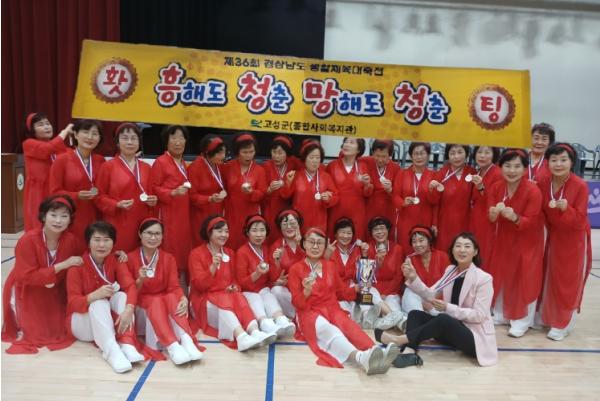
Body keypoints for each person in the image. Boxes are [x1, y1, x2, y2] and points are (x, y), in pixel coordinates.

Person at [375, 232, 497, 368]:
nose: (462, 250)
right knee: (415, 314)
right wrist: (413, 277)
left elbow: (479, 315)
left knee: (443, 319)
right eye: (458, 246)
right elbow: (431, 295)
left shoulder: (484, 279)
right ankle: (410, 351)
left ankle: (399, 340)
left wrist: (447, 307)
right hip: (453, 331)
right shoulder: (451, 270)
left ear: (475, 252)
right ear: (453, 250)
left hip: (475, 338)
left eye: (467, 246)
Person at [288, 227, 397, 374]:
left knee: (350, 326)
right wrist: (306, 291)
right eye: (311, 242)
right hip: (308, 312)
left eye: (319, 243)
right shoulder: (295, 269)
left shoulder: (330, 266)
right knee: (330, 330)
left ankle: (376, 351)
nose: (315, 246)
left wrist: (357, 288)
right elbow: (297, 304)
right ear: (304, 244)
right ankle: (361, 358)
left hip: (332, 308)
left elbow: (341, 293)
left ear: (325, 246)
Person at [2, 195, 83, 354]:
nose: (58, 220)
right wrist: (63, 265)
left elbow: (84, 260)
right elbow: (26, 276)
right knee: (37, 333)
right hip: (27, 289)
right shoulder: (28, 240)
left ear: (70, 220)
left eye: (64, 216)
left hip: (55, 290)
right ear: (44, 216)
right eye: (53, 215)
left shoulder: (72, 240)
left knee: (61, 328)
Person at [66, 221, 146, 373]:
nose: (101, 245)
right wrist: (93, 296)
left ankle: (127, 343)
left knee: (122, 296)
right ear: (88, 243)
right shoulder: (77, 267)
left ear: (113, 243)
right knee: (99, 302)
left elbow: (130, 287)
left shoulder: (116, 261)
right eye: (97, 240)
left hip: (105, 324)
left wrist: (129, 309)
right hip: (82, 324)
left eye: (106, 240)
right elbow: (72, 304)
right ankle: (112, 352)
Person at [188, 215, 276, 351]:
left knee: (239, 296)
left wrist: (234, 287)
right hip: (203, 300)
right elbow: (199, 286)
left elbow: (236, 281)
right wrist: (212, 267)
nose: (224, 235)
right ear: (209, 232)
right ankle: (241, 336)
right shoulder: (196, 254)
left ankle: (254, 331)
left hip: (226, 296)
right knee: (225, 300)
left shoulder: (229, 252)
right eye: (220, 231)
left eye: (226, 231)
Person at [126, 218, 204, 364]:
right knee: (158, 300)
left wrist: (183, 298)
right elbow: (130, 291)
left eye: (157, 234)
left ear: (162, 236)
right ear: (140, 234)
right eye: (149, 233)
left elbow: (174, 286)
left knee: (173, 297)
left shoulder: (168, 258)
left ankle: (186, 340)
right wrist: (140, 279)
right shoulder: (130, 258)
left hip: (163, 298)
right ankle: (172, 345)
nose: (153, 237)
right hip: (142, 301)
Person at [538, 143, 592, 340]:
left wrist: (566, 209)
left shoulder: (580, 185)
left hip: (573, 240)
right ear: (548, 162)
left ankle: (563, 323)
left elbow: (580, 221)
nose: (558, 164)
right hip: (552, 237)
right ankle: (548, 317)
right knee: (550, 277)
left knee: (567, 280)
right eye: (554, 160)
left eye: (563, 160)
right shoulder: (543, 182)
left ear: (571, 162)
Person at [487, 149, 543, 338]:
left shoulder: (533, 190)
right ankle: (501, 314)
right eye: (507, 166)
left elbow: (532, 221)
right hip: (504, 240)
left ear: (525, 169)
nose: (512, 170)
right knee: (503, 275)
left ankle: (522, 321)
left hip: (527, 242)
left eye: (517, 166)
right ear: (500, 167)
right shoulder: (496, 187)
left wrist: (515, 217)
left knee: (525, 278)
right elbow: (490, 217)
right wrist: (493, 214)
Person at [325, 218, 403, 331]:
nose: (345, 236)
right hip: (338, 294)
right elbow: (325, 277)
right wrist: (326, 257)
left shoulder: (356, 250)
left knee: (368, 289)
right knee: (348, 319)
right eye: (342, 232)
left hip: (354, 291)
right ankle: (379, 320)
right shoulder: (329, 251)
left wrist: (366, 256)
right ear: (335, 234)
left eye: (349, 233)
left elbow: (366, 276)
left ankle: (387, 316)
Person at [95, 123, 158, 253]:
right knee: (119, 256)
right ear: (117, 143)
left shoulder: (146, 168)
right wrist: (116, 204)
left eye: (133, 138)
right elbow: (98, 196)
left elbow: (151, 194)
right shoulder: (108, 167)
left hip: (141, 221)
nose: (130, 142)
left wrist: (152, 201)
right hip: (117, 221)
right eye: (125, 138)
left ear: (139, 142)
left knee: (138, 258)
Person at [235, 215, 296, 337]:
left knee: (269, 296)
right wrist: (257, 273)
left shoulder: (266, 249)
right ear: (247, 232)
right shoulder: (242, 252)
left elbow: (272, 278)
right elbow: (242, 283)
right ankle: (265, 323)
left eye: (262, 230)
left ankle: (280, 319)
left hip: (263, 288)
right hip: (248, 291)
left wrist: (276, 262)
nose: (259, 235)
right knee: (256, 299)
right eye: (254, 230)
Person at [49, 119, 105, 239]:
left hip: (96, 215)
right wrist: (76, 195)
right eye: (85, 132)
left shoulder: (101, 160)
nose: (90, 137)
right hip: (71, 215)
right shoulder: (62, 160)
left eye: (95, 134)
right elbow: (54, 192)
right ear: (75, 134)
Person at [150, 125, 192, 281]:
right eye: (173, 138)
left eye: (181, 138)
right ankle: (167, 281)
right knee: (170, 245)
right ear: (166, 142)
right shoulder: (161, 162)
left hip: (183, 213)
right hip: (168, 212)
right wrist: (172, 193)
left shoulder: (183, 163)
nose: (178, 142)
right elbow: (153, 187)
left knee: (182, 246)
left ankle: (179, 283)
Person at [21, 112, 71, 231]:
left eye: (48, 123)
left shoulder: (58, 146)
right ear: (32, 130)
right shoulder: (29, 143)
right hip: (38, 192)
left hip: (56, 189)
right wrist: (64, 133)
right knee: (39, 224)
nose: (46, 127)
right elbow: (46, 150)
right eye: (41, 124)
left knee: (58, 223)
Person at [280, 140, 339, 233]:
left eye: (317, 158)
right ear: (304, 158)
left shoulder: (326, 177)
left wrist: (328, 198)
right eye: (311, 157)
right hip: (299, 221)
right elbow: (285, 195)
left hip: (319, 221)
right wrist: (288, 182)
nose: (315, 161)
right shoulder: (295, 175)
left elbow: (335, 196)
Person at [222, 133, 267, 249]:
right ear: (237, 152)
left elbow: (262, 194)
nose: (249, 155)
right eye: (245, 152)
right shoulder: (228, 167)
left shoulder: (259, 170)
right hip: (231, 213)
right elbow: (223, 188)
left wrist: (251, 192)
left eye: (251, 152)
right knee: (230, 242)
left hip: (249, 213)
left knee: (247, 244)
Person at [429, 144, 476, 251]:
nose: (456, 156)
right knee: (444, 251)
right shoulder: (441, 173)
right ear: (448, 155)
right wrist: (434, 223)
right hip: (444, 222)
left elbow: (476, 200)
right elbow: (435, 202)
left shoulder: (472, 173)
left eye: (460, 152)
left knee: (462, 251)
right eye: (452, 153)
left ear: (466, 154)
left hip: (465, 221)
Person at [325, 137, 373, 239]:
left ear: (358, 150)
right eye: (345, 142)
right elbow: (326, 188)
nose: (346, 145)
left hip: (357, 212)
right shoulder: (332, 166)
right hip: (336, 210)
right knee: (334, 239)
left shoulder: (363, 166)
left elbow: (367, 194)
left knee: (356, 240)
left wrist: (367, 185)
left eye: (351, 143)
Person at [393, 142, 438, 246]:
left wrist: (435, 223)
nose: (419, 157)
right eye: (416, 154)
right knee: (405, 246)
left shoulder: (434, 175)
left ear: (428, 155)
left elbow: (436, 202)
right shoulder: (402, 174)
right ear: (410, 156)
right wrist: (403, 202)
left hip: (426, 219)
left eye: (422, 153)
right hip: (406, 219)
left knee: (423, 248)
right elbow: (395, 196)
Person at [188, 135, 228, 246]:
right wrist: (209, 199)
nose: (223, 156)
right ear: (208, 153)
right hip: (201, 214)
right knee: (202, 242)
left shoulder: (219, 166)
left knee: (216, 243)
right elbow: (192, 196)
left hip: (217, 211)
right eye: (219, 153)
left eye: (224, 152)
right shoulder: (195, 168)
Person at [401, 226, 449, 313]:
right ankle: (418, 317)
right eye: (414, 241)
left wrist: (431, 303)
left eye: (421, 240)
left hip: (438, 301)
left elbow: (447, 285)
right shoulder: (410, 259)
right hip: (418, 302)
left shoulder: (443, 257)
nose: (417, 245)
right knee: (409, 292)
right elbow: (410, 285)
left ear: (429, 241)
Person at [468, 146, 502, 268]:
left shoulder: (497, 173)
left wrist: (481, 187)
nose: (482, 156)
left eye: (487, 152)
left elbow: (496, 200)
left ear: (494, 155)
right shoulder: (478, 171)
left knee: (484, 253)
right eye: (479, 152)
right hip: (476, 218)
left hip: (487, 219)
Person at [262, 135, 300, 244]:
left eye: (280, 153)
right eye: (274, 152)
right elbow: (261, 190)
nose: (276, 156)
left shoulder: (293, 165)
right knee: (271, 236)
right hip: (270, 209)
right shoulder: (266, 166)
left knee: (287, 237)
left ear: (287, 153)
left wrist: (287, 182)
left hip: (287, 208)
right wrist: (269, 189)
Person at [269, 209, 306, 319]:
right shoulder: (276, 246)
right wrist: (276, 262)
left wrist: (301, 247)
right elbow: (273, 278)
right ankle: (297, 317)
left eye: (293, 223)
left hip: (306, 287)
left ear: (299, 224)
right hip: (288, 289)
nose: (289, 227)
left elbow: (312, 266)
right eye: (285, 224)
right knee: (276, 291)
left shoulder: (308, 241)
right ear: (280, 227)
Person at [367, 216, 405, 314]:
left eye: (382, 228)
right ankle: (390, 315)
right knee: (369, 294)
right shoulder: (367, 248)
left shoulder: (397, 249)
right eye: (376, 229)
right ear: (371, 233)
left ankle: (392, 315)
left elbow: (399, 277)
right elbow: (366, 278)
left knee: (395, 310)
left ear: (388, 230)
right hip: (372, 290)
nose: (379, 232)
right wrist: (377, 265)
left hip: (392, 292)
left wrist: (385, 294)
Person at [364, 140, 401, 235]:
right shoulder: (366, 162)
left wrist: (390, 189)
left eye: (384, 156)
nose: (380, 159)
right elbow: (346, 157)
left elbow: (399, 193)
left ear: (390, 155)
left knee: (387, 234)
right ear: (372, 153)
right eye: (377, 155)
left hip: (388, 209)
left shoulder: (395, 168)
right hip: (369, 207)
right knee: (369, 234)